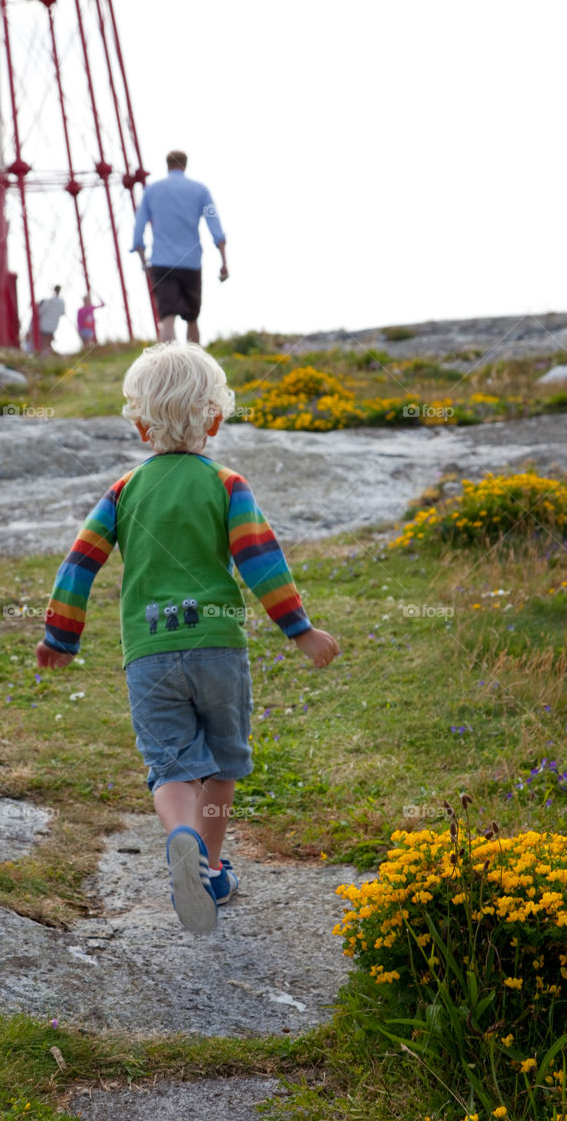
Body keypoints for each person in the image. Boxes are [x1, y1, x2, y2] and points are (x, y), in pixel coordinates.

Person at [35, 343, 339, 934]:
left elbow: (79, 564)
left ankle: (180, 837)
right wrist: (299, 630)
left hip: (149, 657)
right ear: (216, 420)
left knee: (170, 766)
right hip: (219, 650)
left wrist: (60, 636)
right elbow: (261, 562)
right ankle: (212, 865)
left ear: (140, 423)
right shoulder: (227, 484)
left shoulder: (123, 492)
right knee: (222, 762)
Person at [131, 150, 229, 344]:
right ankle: (196, 367)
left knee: (167, 318)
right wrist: (223, 261)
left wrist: (143, 261)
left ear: (167, 165)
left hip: (161, 262)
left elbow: (139, 227)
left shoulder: (151, 191)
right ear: (185, 164)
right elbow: (214, 221)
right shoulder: (200, 190)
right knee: (192, 317)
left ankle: (167, 368)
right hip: (191, 263)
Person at [36, 286, 65, 352]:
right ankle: (48, 353)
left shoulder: (47, 301)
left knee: (44, 342)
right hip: (54, 325)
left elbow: (40, 312)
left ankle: (45, 353)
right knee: (49, 341)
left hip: (44, 325)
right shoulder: (62, 302)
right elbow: (63, 313)